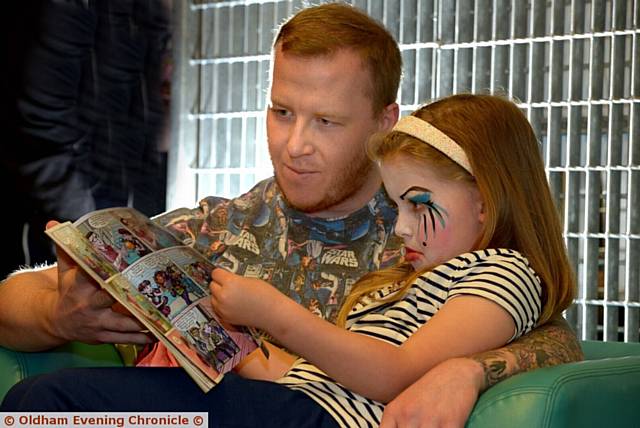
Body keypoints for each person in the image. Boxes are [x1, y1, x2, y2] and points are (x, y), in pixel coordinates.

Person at [0, 3, 582, 425]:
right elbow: (12, 304)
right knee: (45, 402)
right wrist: (60, 315)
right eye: (282, 111)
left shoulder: (429, 240)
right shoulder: (219, 226)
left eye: (326, 121)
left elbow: (552, 339)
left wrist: (470, 371)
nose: (294, 144)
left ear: (384, 123)